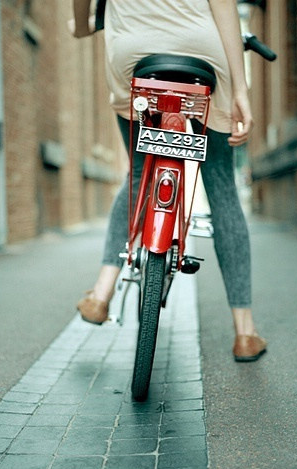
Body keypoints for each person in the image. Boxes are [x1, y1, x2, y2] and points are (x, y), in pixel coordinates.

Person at [71, 0, 267, 362]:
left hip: (134, 53)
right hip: (202, 54)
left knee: (137, 173)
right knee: (222, 188)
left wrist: (82, 26)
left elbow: (82, 13)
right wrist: (241, 90)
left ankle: (101, 293)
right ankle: (244, 332)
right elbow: (223, 7)